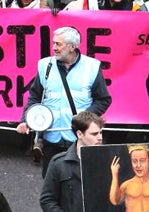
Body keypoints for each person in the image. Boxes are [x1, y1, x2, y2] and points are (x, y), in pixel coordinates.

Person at [17, 26, 112, 176]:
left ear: (72, 47)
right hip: (51, 139)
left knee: (81, 183)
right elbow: (35, 97)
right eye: (54, 43)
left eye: (58, 44)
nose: (54, 48)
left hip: (79, 138)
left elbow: (103, 99)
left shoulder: (91, 67)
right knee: (51, 184)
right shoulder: (44, 65)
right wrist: (26, 120)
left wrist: (85, 119)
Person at [40, 111, 104, 212]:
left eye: (101, 133)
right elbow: (47, 200)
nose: (100, 138)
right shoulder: (59, 163)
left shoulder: (108, 160)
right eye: (94, 134)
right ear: (80, 134)